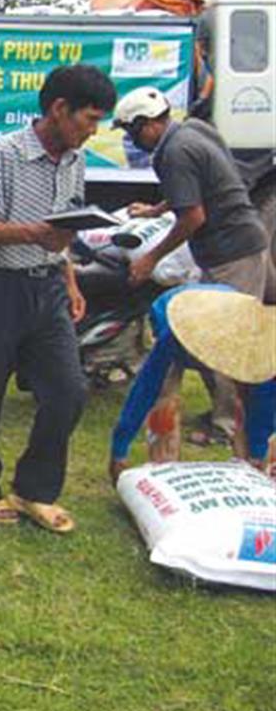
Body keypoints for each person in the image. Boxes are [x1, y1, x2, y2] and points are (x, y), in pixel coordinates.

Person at [0, 64, 115, 533]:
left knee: (68, 391)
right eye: (88, 118)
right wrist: (33, 233)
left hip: (47, 287)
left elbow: (64, 228)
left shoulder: (75, 161)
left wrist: (69, 280)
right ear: (59, 109)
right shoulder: (1, 154)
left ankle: (34, 490)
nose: (93, 129)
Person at [116, 86, 276, 447]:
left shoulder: (173, 152)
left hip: (230, 253)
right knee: (265, 327)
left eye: (131, 131)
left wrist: (150, 258)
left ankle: (226, 425)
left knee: (224, 339)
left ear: (146, 124)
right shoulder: (195, 130)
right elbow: (198, 187)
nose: (132, 140)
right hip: (251, 238)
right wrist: (155, 211)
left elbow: (193, 217)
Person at [108, 285, 275, 479]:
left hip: (228, 313)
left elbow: (264, 402)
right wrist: (120, 449)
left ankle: (248, 475)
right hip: (172, 315)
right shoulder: (176, 335)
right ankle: (164, 473)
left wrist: (256, 453)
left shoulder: (262, 348)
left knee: (242, 404)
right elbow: (145, 390)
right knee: (163, 406)